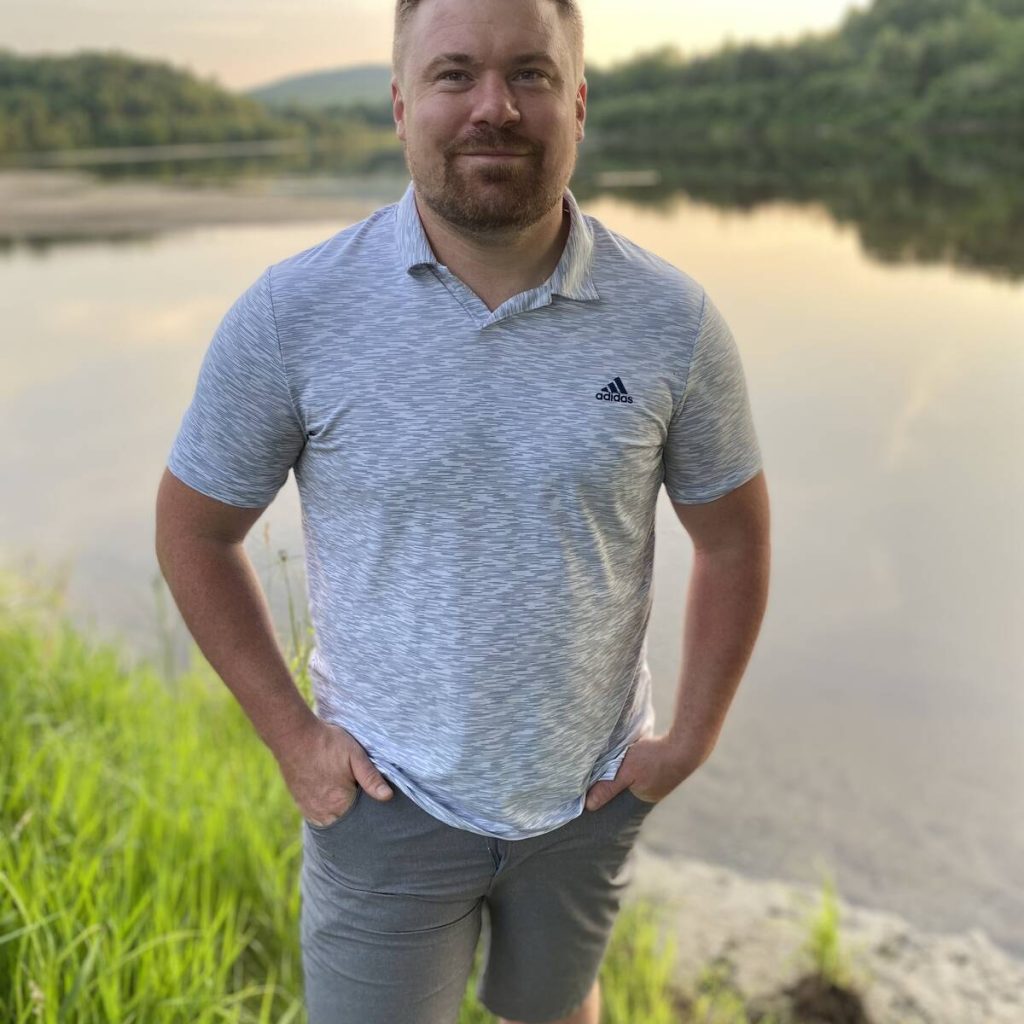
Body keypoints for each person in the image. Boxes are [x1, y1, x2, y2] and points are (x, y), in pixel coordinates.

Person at [154, 0, 771, 1020]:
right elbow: (194, 530)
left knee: (557, 1007)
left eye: (530, 74)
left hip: (590, 800)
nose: (494, 107)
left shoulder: (674, 322)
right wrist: (292, 738)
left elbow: (735, 538)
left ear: (578, 101)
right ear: (400, 105)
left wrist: (688, 741)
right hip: (383, 806)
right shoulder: (293, 314)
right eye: (453, 76)